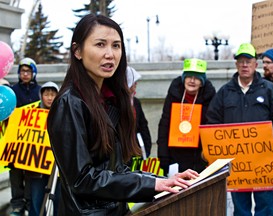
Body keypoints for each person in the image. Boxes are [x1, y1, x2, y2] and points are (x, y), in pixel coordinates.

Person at [46, 14, 199, 216]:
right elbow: (82, 179)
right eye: (100, 44)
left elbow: (116, 170)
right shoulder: (69, 103)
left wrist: (162, 180)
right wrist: (152, 184)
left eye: (116, 46)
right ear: (77, 51)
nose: (110, 54)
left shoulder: (110, 100)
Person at [206, 43, 273, 216]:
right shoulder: (224, 93)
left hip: (264, 163)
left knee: (266, 206)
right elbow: (212, 123)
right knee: (240, 209)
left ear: (255, 65)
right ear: (236, 64)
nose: (244, 65)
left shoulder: (270, 90)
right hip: (237, 165)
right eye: (241, 61)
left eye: (248, 61)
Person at [157, 58, 216, 176]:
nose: (192, 81)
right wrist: (163, 155)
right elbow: (164, 124)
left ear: (202, 81)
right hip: (176, 158)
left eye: (197, 78)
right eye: (189, 77)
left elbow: (212, 128)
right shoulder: (174, 95)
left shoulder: (210, 98)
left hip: (199, 158)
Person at [10, 57, 41, 216]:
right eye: (22, 71)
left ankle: (29, 204)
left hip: (32, 143)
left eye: (28, 71)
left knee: (30, 175)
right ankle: (17, 205)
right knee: (15, 174)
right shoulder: (13, 91)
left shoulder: (40, 91)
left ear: (34, 72)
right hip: (15, 140)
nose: (25, 74)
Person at [28, 81, 60, 216]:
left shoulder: (63, 114)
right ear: (41, 96)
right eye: (46, 94)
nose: (50, 98)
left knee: (59, 201)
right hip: (36, 168)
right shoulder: (30, 116)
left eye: (53, 94)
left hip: (57, 169)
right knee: (36, 201)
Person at [126, 66, 152, 157]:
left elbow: (143, 126)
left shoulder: (136, 102)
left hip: (137, 151)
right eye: (133, 82)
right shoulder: (115, 103)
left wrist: (147, 150)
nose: (136, 84)